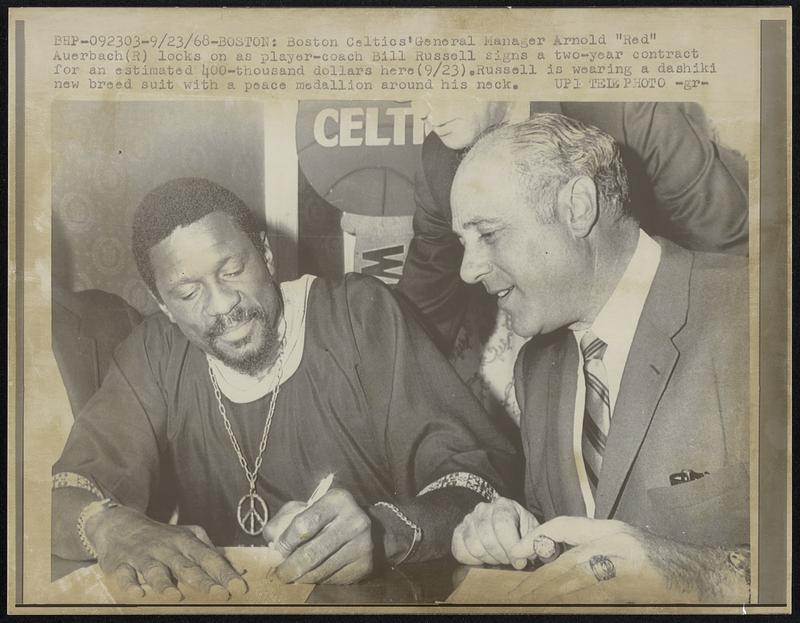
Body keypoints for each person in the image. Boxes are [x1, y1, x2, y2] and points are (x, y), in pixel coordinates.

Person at [52, 177, 517, 599]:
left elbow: (479, 479)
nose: (222, 305)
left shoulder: (358, 316)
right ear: (163, 305)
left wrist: (384, 530)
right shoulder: (154, 353)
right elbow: (60, 491)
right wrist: (106, 525)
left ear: (267, 255)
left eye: (232, 270)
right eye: (188, 293)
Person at [448, 115, 750, 603]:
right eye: (463, 242)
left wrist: (703, 573)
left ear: (578, 207)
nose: (467, 270)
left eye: (487, 234)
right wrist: (522, 537)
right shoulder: (536, 369)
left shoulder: (757, 314)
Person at [398, 100, 749, 356]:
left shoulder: (626, 110)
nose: (426, 110)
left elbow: (732, 265)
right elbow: (424, 305)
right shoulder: (439, 160)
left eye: (440, 79)